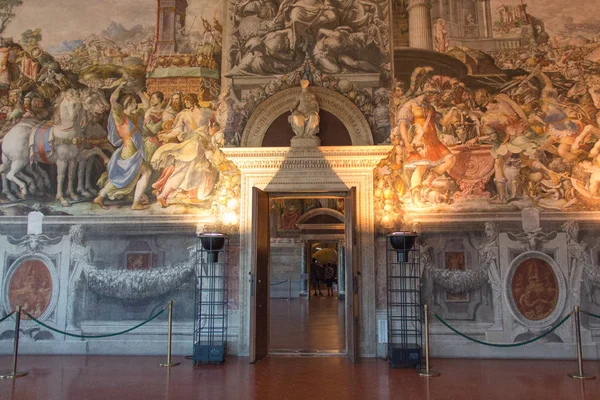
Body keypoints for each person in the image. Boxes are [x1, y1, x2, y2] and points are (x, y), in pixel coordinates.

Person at [94, 82, 152, 210]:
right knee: (144, 172)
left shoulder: (137, 114)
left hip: (136, 151)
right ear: (127, 103)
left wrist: (138, 91)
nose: (135, 103)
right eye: (132, 102)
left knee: (128, 177)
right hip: (129, 152)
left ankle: (101, 196)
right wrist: (119, 87)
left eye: (134, 101)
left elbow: (147, 104)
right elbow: (113, 100)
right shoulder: (121, 117)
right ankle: (136, 203)